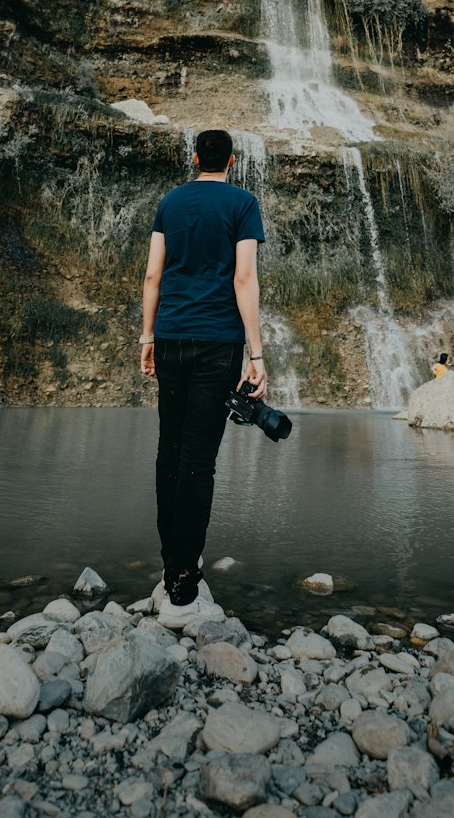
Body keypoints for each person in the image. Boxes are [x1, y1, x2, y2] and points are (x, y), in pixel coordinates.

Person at [140, 128, 266, 626]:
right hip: (219, 345)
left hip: (170, 339)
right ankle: (183, 589)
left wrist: (146, 339)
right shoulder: (243, 203)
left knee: (169, 453)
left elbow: (153, 274)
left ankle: (171, 570)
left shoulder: (170, 202)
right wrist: (256, 354)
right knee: (198, 462)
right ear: (232, 161)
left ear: (195, 158)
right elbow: (244, 278)